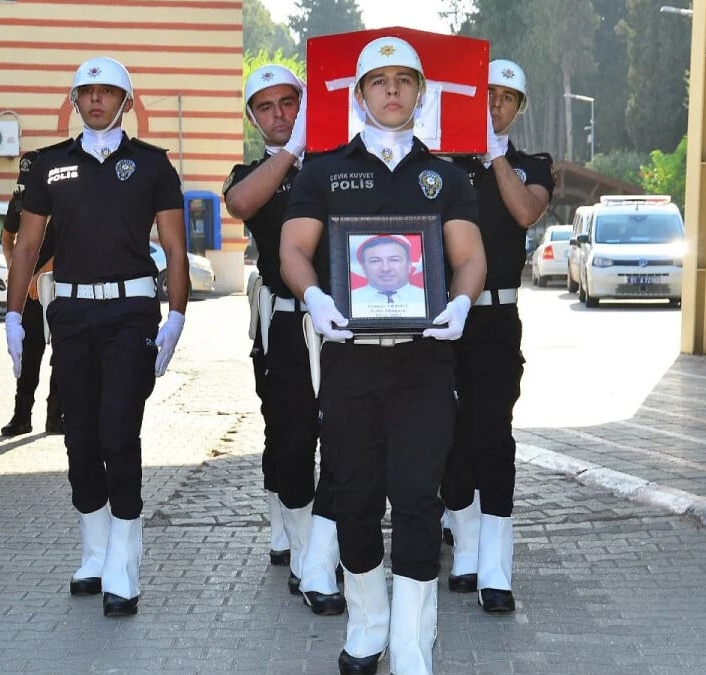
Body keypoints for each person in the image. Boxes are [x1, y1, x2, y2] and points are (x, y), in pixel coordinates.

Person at [280, 36, 486, 675]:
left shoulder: (445, 176)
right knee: (356, 494)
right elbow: (293, 249)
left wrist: (460, 301)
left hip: (424, 362)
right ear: (359, 93)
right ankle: (367, 626)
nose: (392, 90)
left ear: (421, 93)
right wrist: (312, 294)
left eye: (404, 80)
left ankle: (413, 641)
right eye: (379, 81)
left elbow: (470, 257)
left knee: (417, 496)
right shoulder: (323, 171)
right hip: (350, 363)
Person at [4, 55, 189, 619]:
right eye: (86, 92)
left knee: (117, 433)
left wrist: (177, 315)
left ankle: (124, 564)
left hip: (132, 313)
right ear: (74, 101)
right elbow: (27, 248)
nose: (96, 100)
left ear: (125, 102)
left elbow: (176, 248)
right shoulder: (49, 165)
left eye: (108, 92)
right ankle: (94, 550)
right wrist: (14, 315)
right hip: (72, 317)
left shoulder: (153, 165)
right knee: (78, 436)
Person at [223, 63, 345, 616]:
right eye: (267, 107)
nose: (279, 115)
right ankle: (301, 550)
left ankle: (326, 551)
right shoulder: (253, 170)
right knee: (293, 441)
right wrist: (291, 152)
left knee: (345, 440)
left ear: (305, 104)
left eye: (289, 103)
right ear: (254, 118)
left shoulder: (336, 164)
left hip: (340, 322)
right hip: (286, 322)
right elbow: (241, 204)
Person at [439, 59, 554, 614]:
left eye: (507, 98)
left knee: (493, 435)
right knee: (447, 434)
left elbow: (526, 212)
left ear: (519, 108)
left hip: (496, 318)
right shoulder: (441, 164)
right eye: (487, 95)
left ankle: (496, 565)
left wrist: (495, 157)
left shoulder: (531, 164)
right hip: (443, 317)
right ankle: (463, 546)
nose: (496, 105)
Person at [0, 143, 67, 437]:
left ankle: (56, 418)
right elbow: (7, 237)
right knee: (30, 355)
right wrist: (17, 270)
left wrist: (37, 274)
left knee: (63, 355)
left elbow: (70, 246)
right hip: (30, 294)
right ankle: (21, 416)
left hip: (61, 286)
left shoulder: (64, 200)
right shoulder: (19, 199)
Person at [349, 234, 427, 317]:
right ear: (363, 267)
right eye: (375, 261)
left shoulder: (427, 299)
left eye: (394, 260)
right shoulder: (349, 300)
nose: (385, 269)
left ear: (409, 265)